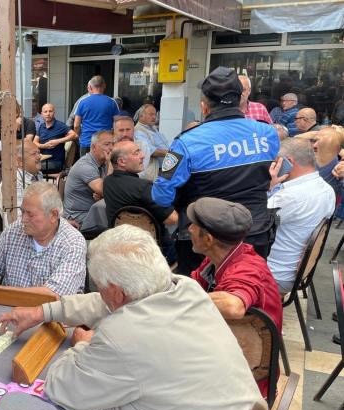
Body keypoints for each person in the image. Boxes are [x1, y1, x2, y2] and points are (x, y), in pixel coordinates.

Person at [0, 225, 266, 410]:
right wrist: (44, 312)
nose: (99, 294)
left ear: (116, 292)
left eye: (100, 287)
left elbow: (62, 387)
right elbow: (102, 304)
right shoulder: (184, 288)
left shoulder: (123, 336)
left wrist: (83, 344)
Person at [152, 66, 280, 274]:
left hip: (205, 240)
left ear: (204, 107)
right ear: (241, 101)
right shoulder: (267, 133)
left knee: (198, 301)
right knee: (247, 296)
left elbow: (161, 196)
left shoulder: (187, 142)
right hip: (254, 233)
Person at [187, 197, 282, 397]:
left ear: (209, 239)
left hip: (244, 383)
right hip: (223, 361)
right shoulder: (217, 259)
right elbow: (191, 285)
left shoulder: (247, 267)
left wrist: (180, 297)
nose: (189, 229)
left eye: (194, 226)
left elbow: (233, 306)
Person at [0, 182, 86, 297]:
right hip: (6, 312)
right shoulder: (15, 230)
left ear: (53, 215)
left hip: (50, 321)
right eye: (23, 211)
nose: (23, 219)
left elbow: (53, 295)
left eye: (30, 214)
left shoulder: (72, 243)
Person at [267, 137, 335, 292]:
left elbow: (251, 223)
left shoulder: (290, 197)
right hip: (298, 270)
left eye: (276, 161)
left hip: (275, 274)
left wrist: (269, 187)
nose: (273, 165)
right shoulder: (327, 189)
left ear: (289, 161)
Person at [104, 141, 177, 261]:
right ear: (121, 162)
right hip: (152, 252)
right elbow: (172, 219)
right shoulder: (143, 187)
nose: (142, 155)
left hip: (120, 248)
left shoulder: (107, 183)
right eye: (136, 153)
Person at [63, 130, 114, 229]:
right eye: (107, 144)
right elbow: (105, 189)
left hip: (94, 210)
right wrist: (111, 163)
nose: (111, 148)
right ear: (94, 147)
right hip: (78, 217)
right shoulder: (85, 165)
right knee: (117, 223)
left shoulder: (101, 163)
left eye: (113, 144)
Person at [73, 76, 119, 157]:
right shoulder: (112, 102)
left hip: (87, 142)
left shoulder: (82, 102)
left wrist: (80, 137)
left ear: (90, 87)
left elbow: (76, 125)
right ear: (104, 86)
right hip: (105, 142)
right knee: (105, 168)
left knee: (86, 167)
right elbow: (118, 123)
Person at [33, 103, 77, 173]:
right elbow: (34, 142)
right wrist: (43, 146)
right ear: (42, 114)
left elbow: (74, 135)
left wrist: (58, 141)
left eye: (50, 111)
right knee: (27, 166)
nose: (48, 114)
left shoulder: (60, 125)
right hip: (42, 159)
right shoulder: (41, 126)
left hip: (55, 162)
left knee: (32, 168)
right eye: (45, 112)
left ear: (54, 113)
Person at [5, 139, 43, 219]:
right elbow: (19, 218)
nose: (39, 156)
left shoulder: (38, 175)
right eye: (34, 154)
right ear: (20, 161)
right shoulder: (14, 183)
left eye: (39, 153)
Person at [134, 103, 171, 182]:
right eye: (151, 114)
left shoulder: (152, 128)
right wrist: (171, 153)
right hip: (153, 172)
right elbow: (151, 151)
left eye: (155, 114)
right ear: (141, 116)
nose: (154, 117)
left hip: (164, 168)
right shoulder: (138, 131)